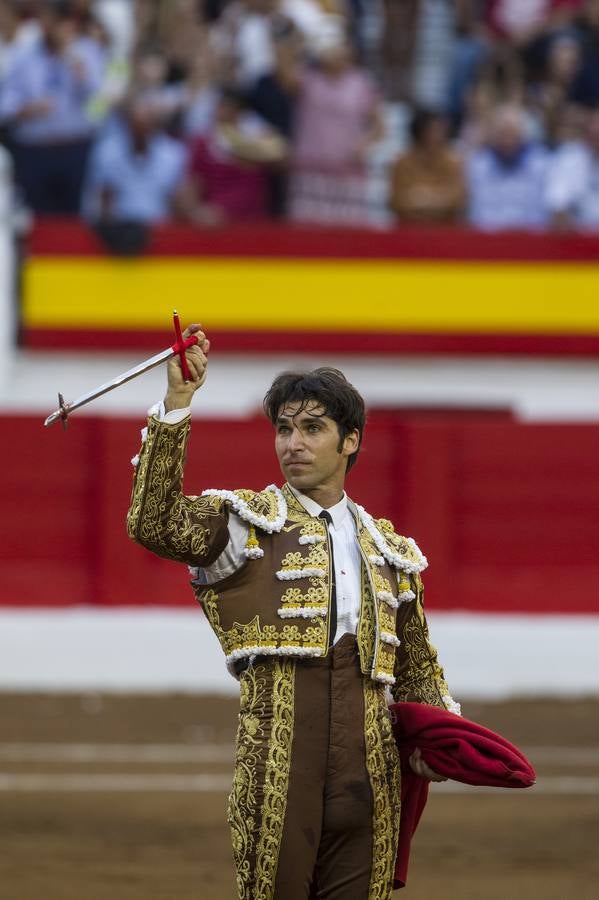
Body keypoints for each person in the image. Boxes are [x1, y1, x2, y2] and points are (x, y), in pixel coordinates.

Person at [127, 324, 460, 900]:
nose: (292, 444)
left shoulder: (389, 550)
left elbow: (417, 668)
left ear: (349, 441)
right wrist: (178, 403)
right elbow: (154, 523)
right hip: (277, 771)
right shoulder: (246, 524)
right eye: (284, 429)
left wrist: (439, 742)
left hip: (370, 779)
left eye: (312, 429)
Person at [389, 108, 466, 224]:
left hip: (444, 233)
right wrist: (438, 199)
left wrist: (422, 198)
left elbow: (457, 200)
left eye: (441, 130)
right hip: (410, 231)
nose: (439, 135)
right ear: (420, 132)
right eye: (433, 130)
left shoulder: (452, 163)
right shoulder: (402, 163)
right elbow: (397, 201)